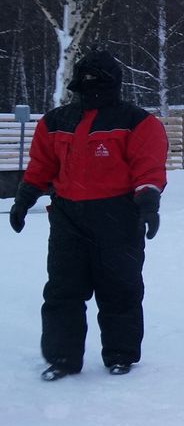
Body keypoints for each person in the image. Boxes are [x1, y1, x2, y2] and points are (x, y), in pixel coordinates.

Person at [8, 50, 167, 381]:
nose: (92, 88)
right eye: (86, 81)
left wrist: (149, 201)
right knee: (62, 290)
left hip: (118, 216)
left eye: (98, 82)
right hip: (68, 217)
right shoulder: (55, 121)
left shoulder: (137, 121)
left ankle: (120, 354)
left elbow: (148, 166)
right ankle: (62, 358)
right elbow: (41, 165)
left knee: (120, 289)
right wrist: (24, 199)